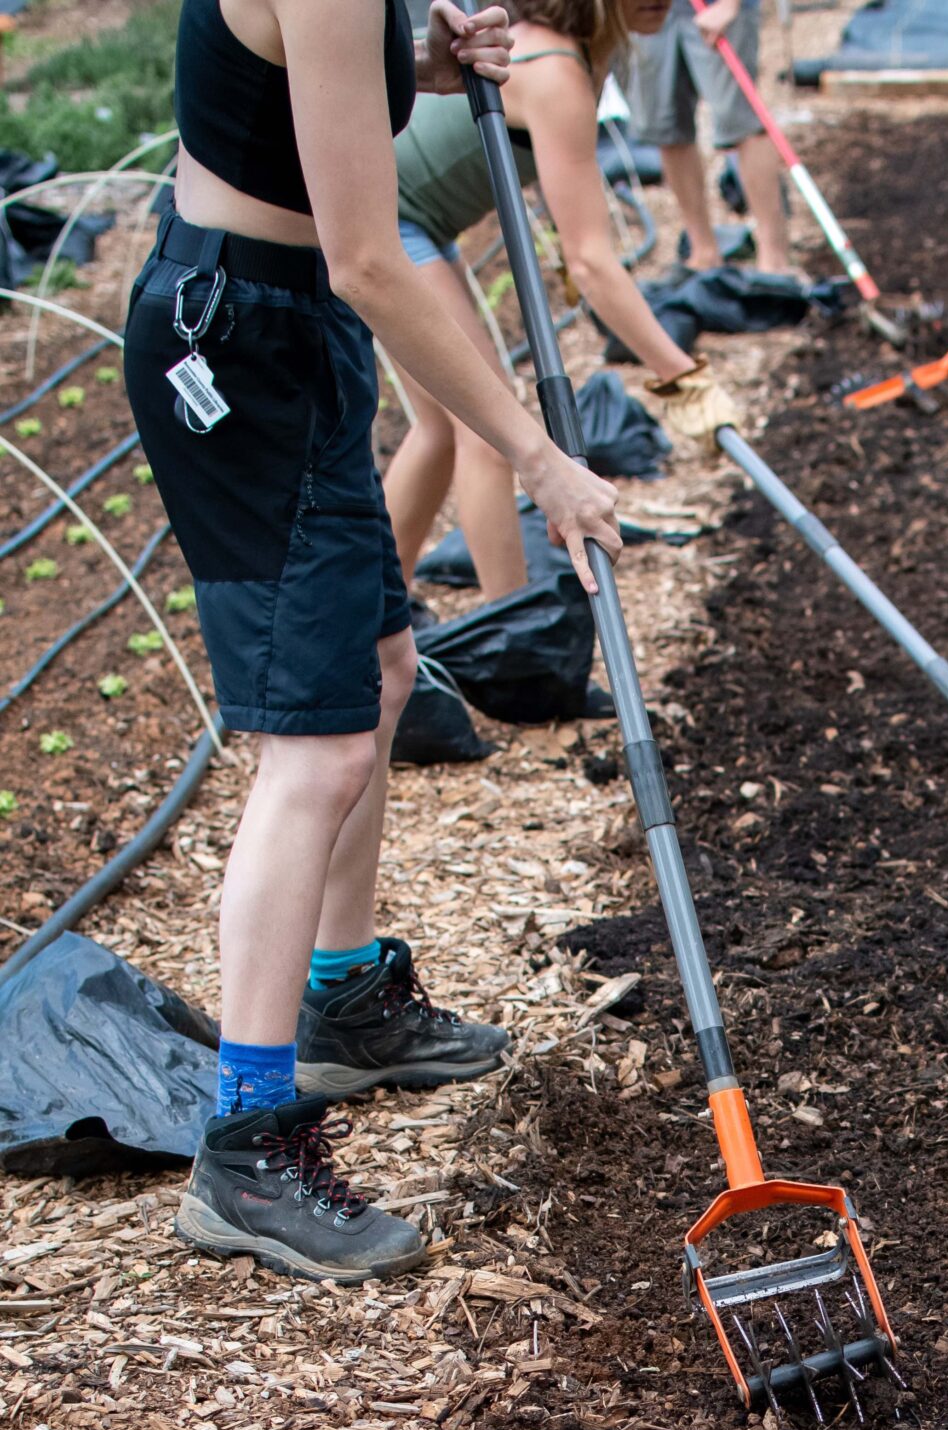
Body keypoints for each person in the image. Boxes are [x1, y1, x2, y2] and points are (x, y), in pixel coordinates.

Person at [123, 0, 622, 1285]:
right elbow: (370, 257)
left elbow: (296, 75)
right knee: (316, 753)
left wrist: (421, 60)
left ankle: (343, 999)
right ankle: (245, 1145)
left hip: (289, 327)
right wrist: (539, 457)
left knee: (384, 676)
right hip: (242, 343)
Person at [383, 0, 740, 603]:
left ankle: (375, 609)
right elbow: (593, 264)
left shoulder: (578, 59)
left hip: (414, 217)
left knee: (440, 431)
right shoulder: (554, 71)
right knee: (489, 429)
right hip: (387, 218)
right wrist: (681, 378)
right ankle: (516, 639)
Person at [626, 0, 792, 279]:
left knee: (743, 123)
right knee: (667, 127)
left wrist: (730, 5)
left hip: (716, 9)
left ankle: (773, 258)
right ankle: (702, 251)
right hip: (646, 12)